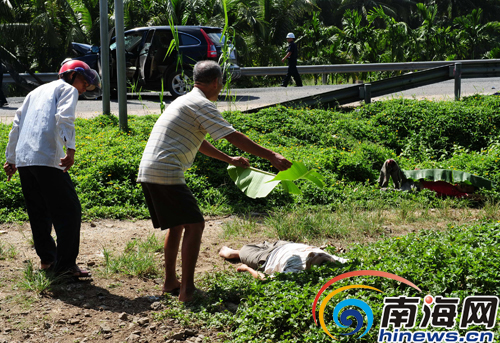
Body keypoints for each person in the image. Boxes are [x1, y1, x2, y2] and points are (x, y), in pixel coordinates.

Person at [137, 60, 292, 302]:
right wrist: (271, 155)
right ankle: (187, 291)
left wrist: (227, 158)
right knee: (196, 225)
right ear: (217, 82)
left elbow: (199, 141)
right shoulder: (201, 103)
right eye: (221, 85)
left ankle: (170, 282)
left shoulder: (184, 100)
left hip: (151, 170)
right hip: (166, 171)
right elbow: (233, 135)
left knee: (177, 225)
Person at [3, 59, 101, 278]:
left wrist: (11, 159)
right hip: (47, 158)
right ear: (71, 75)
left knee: (39, 212)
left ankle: (48, 260)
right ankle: (66, 266)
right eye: (84, 81)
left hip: (26, 160)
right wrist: (71, 149)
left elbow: (16, 125)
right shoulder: (67, 89)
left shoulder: (34, 93)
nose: (85, 87)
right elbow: (65, 118)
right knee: (70, 211)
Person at [219, 241, 348, 280]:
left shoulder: (295, 270)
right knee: (262, 243)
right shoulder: (333, 259)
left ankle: (232, 253)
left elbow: (265, 279)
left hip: (266, 258)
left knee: (244, 250)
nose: (316, 254)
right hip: (284, 245)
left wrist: (247, 268)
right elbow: (353, 264)